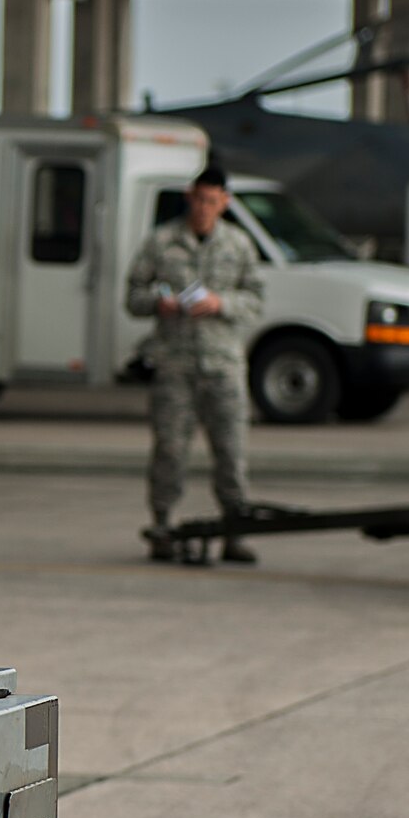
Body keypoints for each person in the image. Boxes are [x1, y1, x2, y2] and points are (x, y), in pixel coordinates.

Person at [124, 165, 265, 564]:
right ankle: (163, 526)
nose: (204, 208)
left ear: (225, 202)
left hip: (223, 365)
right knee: (170, 449)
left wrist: (222, 303)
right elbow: (132, 295)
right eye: (199, 199)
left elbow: (256, 299)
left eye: (212, 201)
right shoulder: (162, 242)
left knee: (232, 453)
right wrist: (158, 302)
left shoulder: (238, 246)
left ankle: (235, 530)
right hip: (175, 365)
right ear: (189, 197)